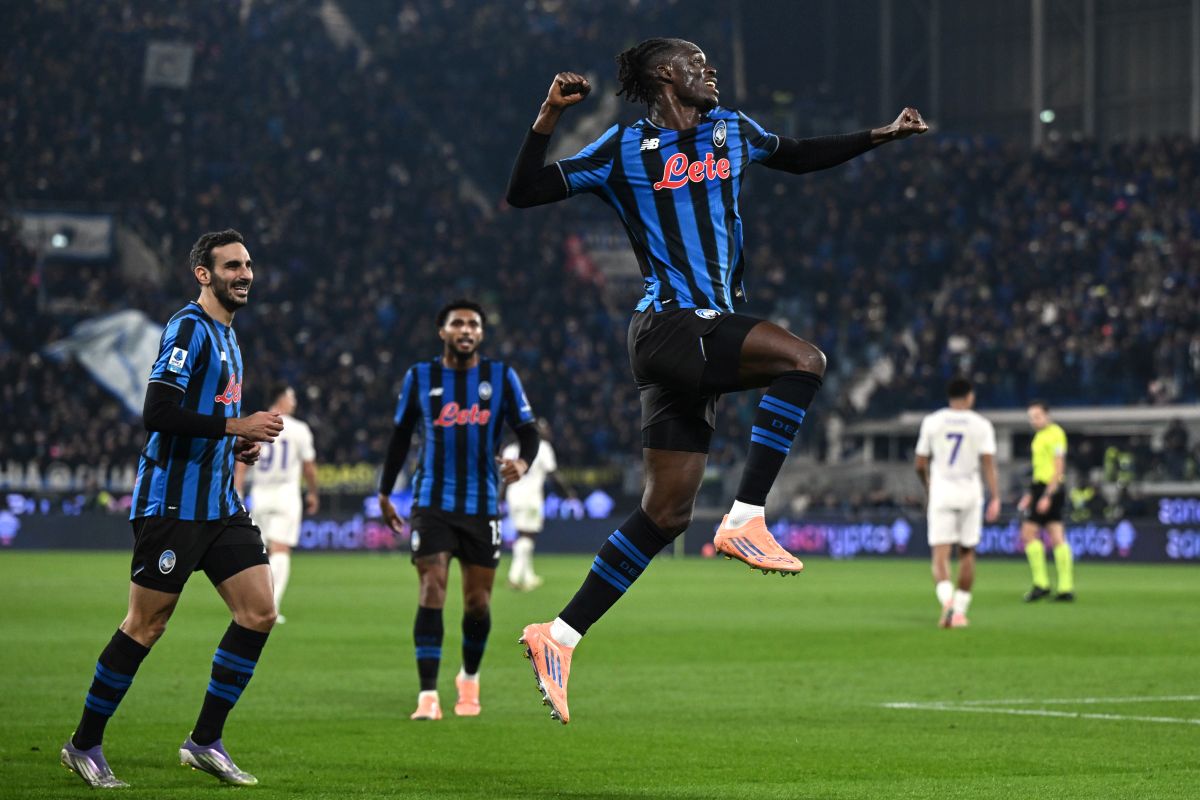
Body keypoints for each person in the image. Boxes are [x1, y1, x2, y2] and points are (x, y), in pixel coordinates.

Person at [506, 37, 927, 723]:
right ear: (665, 75)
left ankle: (559, 634)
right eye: (698, 64)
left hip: (694, 337)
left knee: (666, 514)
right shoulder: (623, 149)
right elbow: (523, 193)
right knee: (804, 360)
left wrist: (881, 134)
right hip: (669, 323)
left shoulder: (733, 130)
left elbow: (798, 155)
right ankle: (746, 516)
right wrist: (549, 115)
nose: (712, 72)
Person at [60, 230, 284, 788]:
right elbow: (157, 412)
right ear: (203, 275)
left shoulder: (230, 336)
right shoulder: (188, 328)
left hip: (220, 504)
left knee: (259, 612)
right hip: (173, 505)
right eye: (232, 266)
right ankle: (83, 745)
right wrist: (234, 424)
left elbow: (205, 419)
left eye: (248, 264)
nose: (245, 274)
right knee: (146, 625)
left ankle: (204, 741)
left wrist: (236, 443)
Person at [377, 299, 540, 721]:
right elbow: (399, 436)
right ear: (442, 331)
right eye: (458, 323)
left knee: (477, 603)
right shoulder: (420, 376)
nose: (466, 330)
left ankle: (469, 677)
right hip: (431, 502)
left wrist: (523, 463)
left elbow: (529, 432)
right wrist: (385, 492)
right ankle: (427, 695)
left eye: (473, 325)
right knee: (431, 588)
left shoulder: (501, 377)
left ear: (481, 334)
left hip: (482, 505)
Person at [914, 377, 1001, 628]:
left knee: (940, 555)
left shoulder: (932, 421)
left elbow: (920, 463)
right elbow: (988, 464)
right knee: (967, 552)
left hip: (942, 491)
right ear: (969, 396)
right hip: (970, 492)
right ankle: (960, 612)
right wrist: (995, 497)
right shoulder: (981, 424)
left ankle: (947, 602)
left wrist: (928, 486)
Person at [234, 384, 318, 623]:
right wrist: (313, 492)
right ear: (280, 399)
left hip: (260, 494)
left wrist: (238, 490)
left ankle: (251, 601)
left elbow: (241, 462)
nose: (294, 402)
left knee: (259, 551)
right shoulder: (299, 429)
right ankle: (270, 605)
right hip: (286, 494)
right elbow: (309, 466)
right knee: (280, 550)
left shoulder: (256, 424)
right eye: (291, 397)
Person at [502, 418, 572, 591]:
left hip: (513, 497)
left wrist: (501, 498)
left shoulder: (510, 449)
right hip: (531, 497)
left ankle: (528, 576)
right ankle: (514, 576)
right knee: (527, 536)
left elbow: (505, 479)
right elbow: (553, 474)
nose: (547, 432)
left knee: (522, 534)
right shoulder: (543, 448)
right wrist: (567, 493)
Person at [1017, 401, 1075, 601]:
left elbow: (1058, 467)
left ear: (1047, 415)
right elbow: (1039, 468)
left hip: (1050, 488)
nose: (1034, 421)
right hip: (1040, 488)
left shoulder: (1056, 434)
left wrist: (1047, 495)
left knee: (1028, 533)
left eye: (1037, 416)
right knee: (1056, 534)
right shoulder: (1039, 436)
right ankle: (1065, 588)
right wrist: (1031, 494)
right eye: (1031, 417)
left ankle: (1042, 584)